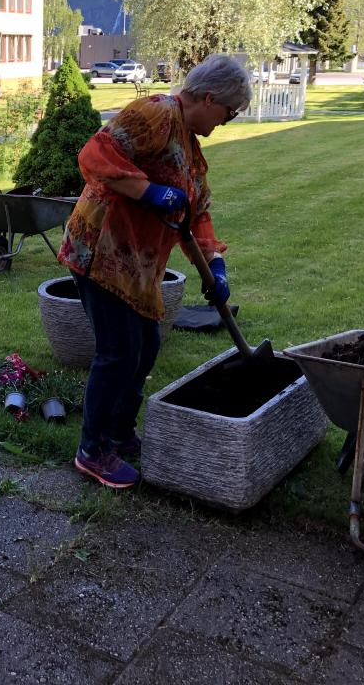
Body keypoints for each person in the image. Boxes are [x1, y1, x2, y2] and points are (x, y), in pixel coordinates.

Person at [59, 54, 252, 489]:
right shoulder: (157, 113)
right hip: (102, 252)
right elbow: (95, 155)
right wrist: (149, 192)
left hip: (137, 267)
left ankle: (119, 433)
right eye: (229, 111)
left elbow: (196, 213)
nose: (228, 120)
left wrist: (215, 269)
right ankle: (92, 450)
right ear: (208, 98)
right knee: (119, 352)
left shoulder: (191, 149)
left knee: (145, 347)